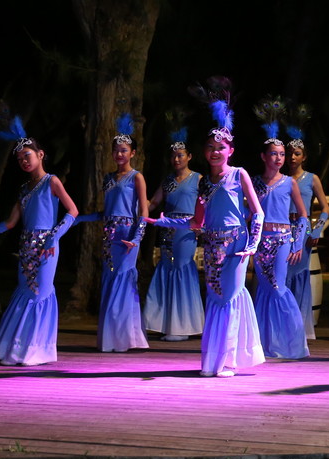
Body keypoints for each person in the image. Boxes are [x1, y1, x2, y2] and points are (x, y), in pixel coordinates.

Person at [148, 77, 265, 377]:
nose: (215, 152)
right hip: (211, 246)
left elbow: (258, 213)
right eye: (210, 147)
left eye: (221, 147)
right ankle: (212, 361)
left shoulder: (240, 175)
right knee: (214, 300)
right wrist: (161, 220)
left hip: (237, 246)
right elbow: (195, 222)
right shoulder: (204, 184)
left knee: (229, 299)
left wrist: (251, 246)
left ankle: (228, 361)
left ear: (231, 150)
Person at [0, 116, 78, 365]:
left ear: (41, 154)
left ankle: (36, 351)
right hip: (26, 247)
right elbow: (9, 224)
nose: (24, 161)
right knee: (25, 293)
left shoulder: (52, 182)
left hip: (47, 247)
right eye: (20, 158)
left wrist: (53, 237)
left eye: (27, 155)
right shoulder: (24, 189)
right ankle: (18, 350)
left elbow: (73, 211)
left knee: (39, 294)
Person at [77, 113, 149, 352]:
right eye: (116, 150)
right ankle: (111, 338)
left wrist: (136, 239)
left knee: (123, 283)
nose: (120, 154)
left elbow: (144, 213)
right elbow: (105, 212)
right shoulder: (108, 178)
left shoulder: (136, 177)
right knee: (109, 281)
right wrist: (78, 219)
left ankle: (124, 338)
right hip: (109, 237)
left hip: (128, 237)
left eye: (124, 150)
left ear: (133, 153)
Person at [250, 97, 310, 358]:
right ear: (263, 156)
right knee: (264, 289)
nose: (279, 158)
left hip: (283, 239)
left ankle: (291, 342)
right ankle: (266, 342)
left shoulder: (289, 183)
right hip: (261, 241)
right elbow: (248, 215)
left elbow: (304, 216)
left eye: (282, 154)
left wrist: (297, 243)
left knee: (278, 287)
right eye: (273, 153)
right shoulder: (252, 182)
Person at [143, 127, 205, 342]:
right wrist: (137, 208)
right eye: (173, 155)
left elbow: (205, 204)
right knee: (166, 268)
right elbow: (153, 202)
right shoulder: (168, 181)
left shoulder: (198, 179)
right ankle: (165, 324)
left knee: (181, 268)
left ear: (189, 157)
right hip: (166, 229)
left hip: (186, 230)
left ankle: (182, 327)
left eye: (181, 155)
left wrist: (201, 225)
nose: (176, 159)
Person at [284, 104, 329, 340]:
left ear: (305, 156)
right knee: (282, 276)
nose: (292, 157)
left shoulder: (311, 179)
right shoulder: (280, 179)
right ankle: (283, 323)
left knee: (299, 278)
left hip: (303, 232)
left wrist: (317, 231)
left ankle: (301, 326)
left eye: (297, 153)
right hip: (283, 232)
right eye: (289, 152)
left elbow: (325, 208)